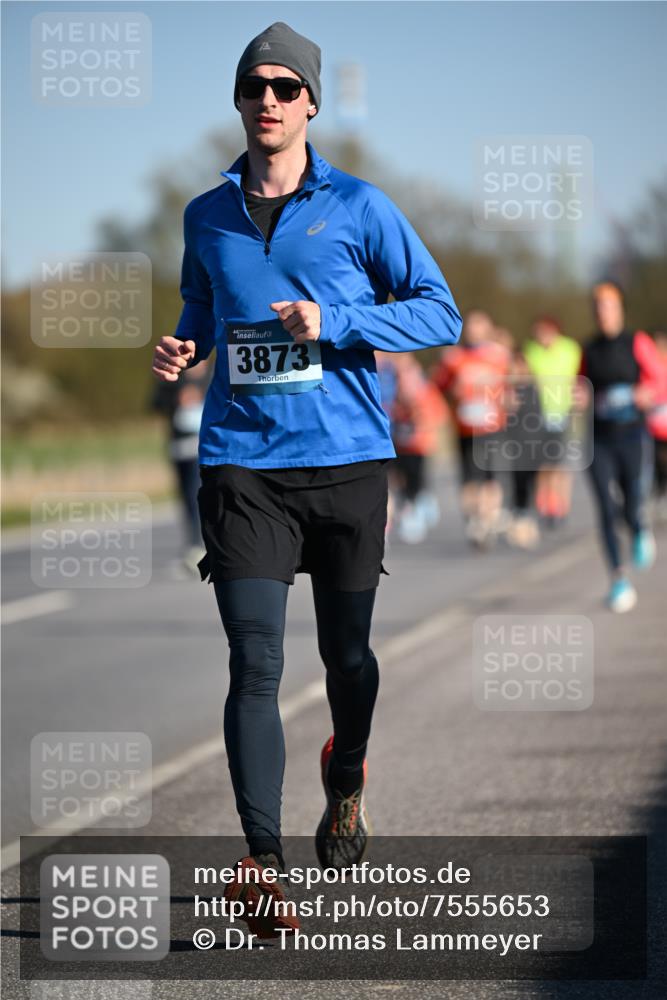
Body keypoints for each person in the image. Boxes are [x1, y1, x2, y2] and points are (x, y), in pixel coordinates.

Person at [151, 21, 461, 936]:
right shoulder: (204, 214)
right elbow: (201, 304)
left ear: (312, 103)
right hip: (242, 464)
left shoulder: (360, 206)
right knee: (255, 662)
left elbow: (437, 312)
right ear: (238, 99)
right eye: (255, 85)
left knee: (346, 659)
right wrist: (185, 346)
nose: (270, 100)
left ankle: (347, 770)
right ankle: (262, 863)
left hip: (347, 463)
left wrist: (335, 318)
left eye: (287, 87)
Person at [577, 281, 663, 612]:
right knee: (604, 506)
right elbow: (580, 385)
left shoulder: (636, 342)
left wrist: (646, 392)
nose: (603, 311)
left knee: (630, 506)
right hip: (599, 439)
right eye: (598, 305)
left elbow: (660, 380)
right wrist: (578, 395)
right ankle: (618, 580)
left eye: (609, 304)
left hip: (632, 436)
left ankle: (639, 528)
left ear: (620, 309)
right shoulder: (589, 349)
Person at [432, 309, 510, 548]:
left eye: (479, 325)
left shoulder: (499, 355)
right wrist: (451, 394)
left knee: (489, 476)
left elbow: (514, 383)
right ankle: (474, 521)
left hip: (492, 425)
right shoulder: (453, 357)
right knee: (468, 477)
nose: (474, 330)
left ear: (488, 328)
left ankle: (487, 520)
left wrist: (506, 399)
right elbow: (437, 385)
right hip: (465, 427)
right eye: (471, 325)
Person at [150, 360, 211, 575]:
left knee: (198, 494)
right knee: (186, 496)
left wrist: (201, 398)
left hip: (204, 446)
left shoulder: (215, 374)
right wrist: (177, 399)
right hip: (179, 447)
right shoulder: (173, 375)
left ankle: (200, 544)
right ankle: (193, 542)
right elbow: (155, 403)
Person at [523, 316, 581, 527]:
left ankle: (560, 504)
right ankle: (545, 503)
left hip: (562, 412)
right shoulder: (531, 351)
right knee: (542, 463)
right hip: (536, 414)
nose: (542, 336)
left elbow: (580, 376)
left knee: (559, 463)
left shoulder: (570, 349)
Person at [386, 353, 448, 544]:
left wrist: (420, 417)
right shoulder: (389, 382)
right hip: (397, 442)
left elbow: (438, 413)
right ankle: (404, 512)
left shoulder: (423, 386)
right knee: (396, 480)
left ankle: (415, 510)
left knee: (415, 481)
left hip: (418, 444)